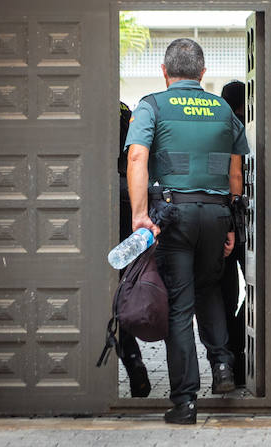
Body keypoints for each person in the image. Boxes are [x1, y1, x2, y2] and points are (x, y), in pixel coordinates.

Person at [126, 39, 246, 425]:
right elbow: (235, 173)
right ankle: (223, 367)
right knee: (210, 288)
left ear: (164, 71)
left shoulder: (153, 105)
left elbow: (137, 156)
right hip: (215, 215)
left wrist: (141, 214)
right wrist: (230, 220)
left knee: (180, 302)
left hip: (174, 214)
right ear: (203, 73)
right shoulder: (223, 108)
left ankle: (185, 401)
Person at [114, 101, 151, 398]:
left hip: (100, 200)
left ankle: (133, 359)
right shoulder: (126, 110)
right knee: (124, 287)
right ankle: (134, 361)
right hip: (128, 198)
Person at [217, 80, 248, 390]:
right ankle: (235, 358)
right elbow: (236, 177)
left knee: (224, 296)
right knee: (254, 291)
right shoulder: (242, 128)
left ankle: (225, 360)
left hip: (219, 225)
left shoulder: (216, 125)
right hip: (241, 227)